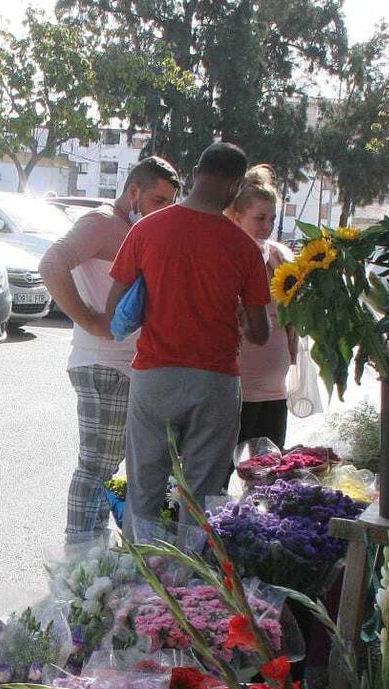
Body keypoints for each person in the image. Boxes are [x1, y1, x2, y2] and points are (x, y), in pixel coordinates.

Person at [106, 141, 272, 539]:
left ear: (195, 174)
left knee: (145, 484)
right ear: (235, 186)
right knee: (201, 493)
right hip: (214, 381)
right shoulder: (244, 248)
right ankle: (190, 573)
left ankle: (141, 569)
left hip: (155, 375)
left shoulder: (146, 229)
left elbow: (115, 307)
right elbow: (260, 333)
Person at [40, 156, 183, 542]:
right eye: (157, 200)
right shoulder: (101, 222)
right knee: (97, 467)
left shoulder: (136, 230)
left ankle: (97, 553)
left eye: (170, 204)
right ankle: (79, 558)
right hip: (104, 365)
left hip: (131, 367)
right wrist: (89, 320)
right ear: (133, 192)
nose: (163, 211)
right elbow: (51, 264)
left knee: (119, 466)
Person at [224, 164, 298, 450]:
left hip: (275, 386)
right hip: (240, 382)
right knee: (229, 463)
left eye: (272, 218)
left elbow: (293, 314)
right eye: (259, 218)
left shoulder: (278, 256)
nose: (267, 226)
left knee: (272, 463)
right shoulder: (228, 255)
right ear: (236, 215)